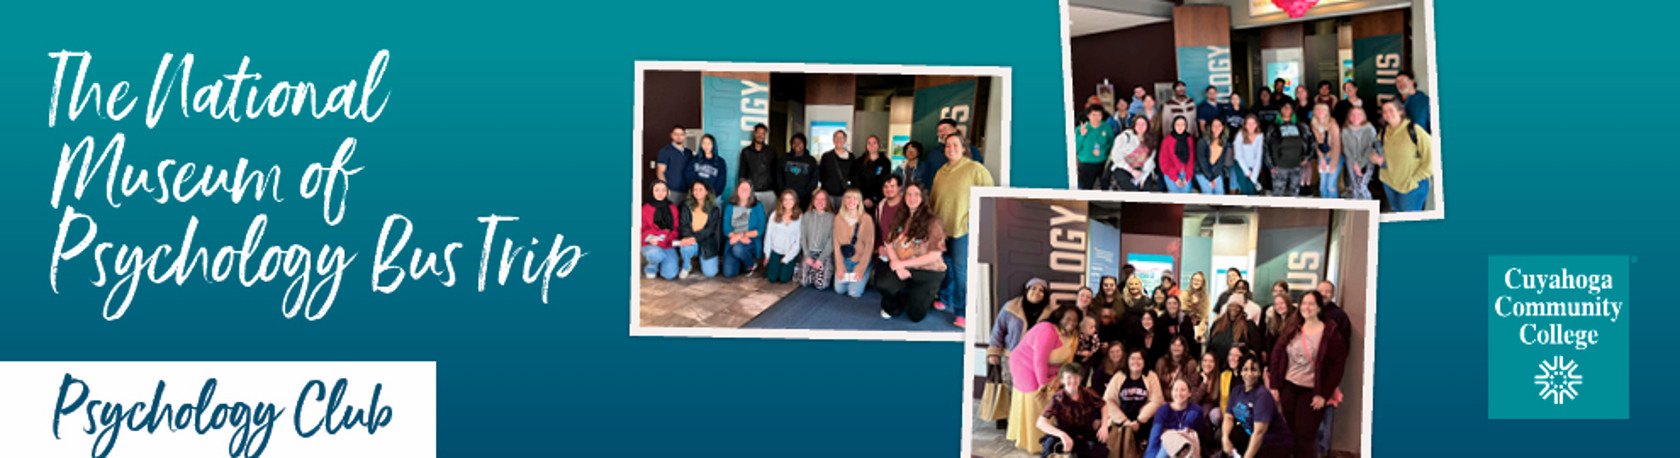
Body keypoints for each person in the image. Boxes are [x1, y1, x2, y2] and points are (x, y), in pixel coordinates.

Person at [1269, 291, 1350, 458]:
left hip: (1313, 391)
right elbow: (1277, 354)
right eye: (1304, 303)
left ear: (1319, 307)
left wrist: (1323, 394)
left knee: (1305, 435)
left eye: (1311, 304)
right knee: (1291, 431)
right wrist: (1275, 385)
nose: (1306, 307)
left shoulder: (1330, 332)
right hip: (1289, 388)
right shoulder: (1293, 326)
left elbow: (1337, 365)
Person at [930, 132, 994, 328]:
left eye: (955, 145)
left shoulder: (975, 169)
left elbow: (989, 197)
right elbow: (934, 200)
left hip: (962, 229)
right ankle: (946, 298)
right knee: (946, 265)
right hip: (942, 228)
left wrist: (978, 222)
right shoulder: (941, 172)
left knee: (960, 271)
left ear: (964, 147)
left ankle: (962, 312)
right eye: (948, 146)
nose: (951, 149)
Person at [1007, 305, 1084, 455]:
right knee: (1037, 398)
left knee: (1054, 395)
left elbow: (1068, 361)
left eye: (1075, 320)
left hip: (1051, 367)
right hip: (1025, 365)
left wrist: (1060, 380)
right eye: (1068, 318)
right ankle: (1034, 442)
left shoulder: (1074, 335)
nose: (1072, 322)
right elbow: (1039, 361)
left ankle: (1052, 436)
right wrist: (1043, 385)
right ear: (1060, 317)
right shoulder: (1047, 330)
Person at [879, 182, 948, 322]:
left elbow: (935, 255)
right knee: (883, 284)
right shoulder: (901, 217)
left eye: (916, 194)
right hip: (902, 265)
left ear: (923, 197)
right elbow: (890, 244)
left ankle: (919, 296)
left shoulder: (933, 222)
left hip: (928, 270)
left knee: (915, 316)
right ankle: (894, 306)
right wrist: (895, 262)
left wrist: (902, 264)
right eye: (909, 194)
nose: (912, 197)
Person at [1224, 350, 1294, 458]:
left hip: (1274, 443)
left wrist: (1247, 457)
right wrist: (1225, 439)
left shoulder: (1262, 395)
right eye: (1245, 369)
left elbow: (1259, 432)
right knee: (1232, 436)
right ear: (1240, 372)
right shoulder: (1236, 391)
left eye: (1253, 370)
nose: (1249, 374)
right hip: (1252, 436)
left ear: (1259, 373)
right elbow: (1228, 417)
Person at [1314, 281, 1353, 458]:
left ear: (1333, 294)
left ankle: (1322, 450)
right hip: (1308, 372)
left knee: (1326, 411)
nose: (1324, 294)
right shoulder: (1310, 312)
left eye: (1327, 291)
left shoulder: (1339, 316)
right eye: (1320, 290)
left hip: (1328, 371)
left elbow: (1344, 349)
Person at [1039, 363, 1111, 458]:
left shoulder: (1087, 392)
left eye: (1076, 377)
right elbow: (1040, 423)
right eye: (1068, 378)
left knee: (1100, 451)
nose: (1072, 381)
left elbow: (1103, 405)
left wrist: (1104, 426)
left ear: (1080, 379)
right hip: (1062, 435)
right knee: (1049, 449)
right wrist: (1062, 435)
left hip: (1083, 434)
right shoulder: (1058, 398)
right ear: (1062, 380)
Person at [1373, 98, 1433, 212]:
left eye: (1391, 110)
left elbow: (1432, 159)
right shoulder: (1384, 132)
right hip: (1389, 184)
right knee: (1397, 213)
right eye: (1384, 111)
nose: (1387, 114)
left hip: (1411, 187)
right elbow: (1375, 151)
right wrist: (1374, 157)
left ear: (1400, 111)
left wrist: (1414, 180)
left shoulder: (1415, 130)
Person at [1102, 349, 1163, 458]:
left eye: (1139, 359)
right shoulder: (1119, 376)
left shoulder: (1151, 376)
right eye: (1133, 358)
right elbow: (1108, 400)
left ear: (1144, 361)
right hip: (1122, 419)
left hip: (1144, 420)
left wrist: (1139, 421)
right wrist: (1124, 420)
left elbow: (1157, 400)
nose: (1136, 362)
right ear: (1127, 361)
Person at [990, 278, 1052, 370]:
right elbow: (998, 329)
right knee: (1009, 384)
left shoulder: (1049, 313)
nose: (1036, 292)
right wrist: (993, 352)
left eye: (1041, 290)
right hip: (1011, 356)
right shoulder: (1011, 307)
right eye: (1033, 288)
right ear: (1027, 290)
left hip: (1034, 359)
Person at [1144, 377, 1207, 458]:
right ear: (1171, 392)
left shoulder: (1196, 411)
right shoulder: (1163, 410)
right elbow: (1154, 438)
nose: (1179, 393)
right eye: (1175, 390)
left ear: (1189, 393)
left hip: (1187, 451)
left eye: (1183, 390)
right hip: (1164, 450)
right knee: (1169, 439)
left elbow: (1199, 435)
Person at [832, 188, 876, 297]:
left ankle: (865, 273)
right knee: (839, 290)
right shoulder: (838, 218)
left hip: (860, 260)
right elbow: (836, 244)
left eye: (855, 198)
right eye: (848, 197)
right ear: (844, 200)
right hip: (845, 260)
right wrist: (840, 266)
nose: (851, 201)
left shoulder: (866, 219)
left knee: (854, 292)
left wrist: (861, 267)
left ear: (859, 201)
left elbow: (869, 246)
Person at [676, 181, 723, 278]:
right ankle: (686, 266)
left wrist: (695, 238)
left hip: (707, 242)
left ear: (707, 192)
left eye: (700, 189)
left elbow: (710, 230)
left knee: (711, 273)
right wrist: (689, 238)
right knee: (685, 247)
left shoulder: (714, 210)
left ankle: (702, 259)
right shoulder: (686, 206)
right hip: (690, 241)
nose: (697, 192)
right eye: (695, 190)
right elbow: (683, 225)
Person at [720, 180, 766, 278]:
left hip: (750, 240)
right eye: (742, 188)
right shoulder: (730, 207)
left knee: (738, 249)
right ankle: (742, 261)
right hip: (734, 241)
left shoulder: (757, 206)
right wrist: (738, 238)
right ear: (737, 190)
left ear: (751, 192)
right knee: (729, 273)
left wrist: (741, 235)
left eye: (747, 189)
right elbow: (726, 229)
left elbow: (760, 230)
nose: (744, 191)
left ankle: (750, 265)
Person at [639, 181, 685, 279]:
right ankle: (651, 267)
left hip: (668, 243)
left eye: (663, 190)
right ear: (652, 191)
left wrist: (664, 238)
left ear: (667, 192)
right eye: (657, 190)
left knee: (670, 275)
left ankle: (661, 262)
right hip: (650, 244)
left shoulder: (672, 208)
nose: (660, 193)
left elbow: (676, 230)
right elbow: (640, 230)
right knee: (655, 253)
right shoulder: (644, 209)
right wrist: (654, 236)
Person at [1265, 103, 1313, 197]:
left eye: (1289, 107)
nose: (1287, 109)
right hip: (1279, 167)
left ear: (1292, 111)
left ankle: (1293, 212)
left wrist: (1308, 157)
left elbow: (1311, 141)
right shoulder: (1273, 128)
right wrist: (1270, 165)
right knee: (1278, 195)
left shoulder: (1301, 126)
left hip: (1296, 165)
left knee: (1295, 194)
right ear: (1280, 111)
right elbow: (1266, 146)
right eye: (1284, 107)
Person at [1099, 116, 1156, 192]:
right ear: (1134, 125)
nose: (1140, 126)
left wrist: (1143, 177)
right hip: (1123, 167)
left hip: (1141, 168)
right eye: (1138, 124)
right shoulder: (1125, 136)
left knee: (1147, 190)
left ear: (1148, 126)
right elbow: (1116, 156)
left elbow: (1150, 161)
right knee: (1132, 191)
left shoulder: (1151, 139)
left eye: (1143, 124)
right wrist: (1132, 171)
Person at [1205, 295, 1259, 371]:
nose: (1234, 308)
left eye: (1237, 306)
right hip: (1217, 368)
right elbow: (1210, 345)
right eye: (1231, 305)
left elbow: (1255, 349)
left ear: (1242, 308)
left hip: (1237, 369)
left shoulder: (1248, 326)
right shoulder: (1217, 324)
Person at [762, 189, 803, 284]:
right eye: (785, 199)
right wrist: (767, 255)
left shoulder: (800, 217)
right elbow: (768, 236)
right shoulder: (774, 215)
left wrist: (787, 258)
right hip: (776, 251)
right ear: (781, 201)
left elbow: (798, 241)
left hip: (790, 252)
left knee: (784, 279)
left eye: (791, 199)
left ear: (795, 201)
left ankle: (794, 265)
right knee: (771, 278)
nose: (788, 202)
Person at [798, 189, 835, 289]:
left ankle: (820, 270)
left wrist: (820, 259)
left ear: (827, 202)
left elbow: (831, 241)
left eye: (823, 199)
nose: (820, 202)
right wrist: (807, 256)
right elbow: (803, 237)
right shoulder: (807, 216)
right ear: (813, 201)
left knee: (821, 285)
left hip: (823, 254)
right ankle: (811, 270)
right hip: (809, 252)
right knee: (804, 283)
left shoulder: (832, 218)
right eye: (817, 199)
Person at [1341, 106, 1379, 200]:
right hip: (1351, 161)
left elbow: (1370, 148)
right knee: (1354, 186)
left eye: (1358, 114)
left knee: (1361, 186)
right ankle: (1356, 210)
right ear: (1349, 117)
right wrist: (1354, 163)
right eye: (1353, 114)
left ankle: (1369, 208)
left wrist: (1360, 165)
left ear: (1363, 116)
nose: (1355, 116)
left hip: (1367, 161)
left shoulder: (1370, 129)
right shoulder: (1345, 130)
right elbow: (1346, 148)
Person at [738, 123, 779, 206]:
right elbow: (742, 173)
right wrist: (743, 190)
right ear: (754, 134)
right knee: (752, 217)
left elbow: (776, 172)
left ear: (765, 135)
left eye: (763, 133)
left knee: (769, 217)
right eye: (758, 133)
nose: (760, 135)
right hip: (752, 191)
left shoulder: (771, 151)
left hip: (769, 192)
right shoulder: (746, 152)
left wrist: (777, 192)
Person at [874, 175, 904, 287]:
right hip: (884, 252)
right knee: (879, 284)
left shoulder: (906, 206)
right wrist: (880, 246)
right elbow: (877, 231)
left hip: (902, 253)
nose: (889, 189)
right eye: (885, 186)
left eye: (892, 186)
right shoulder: (880, 206)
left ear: (899, 187)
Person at [1076, 106, 1116, 189]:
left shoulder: (1107, 128)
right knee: (1087, 187)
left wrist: (1103, 151)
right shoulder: (1081, 128)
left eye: (1099, 115)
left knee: (1105, 186)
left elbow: (1112, 144)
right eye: (1093, 115)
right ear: (1088, 116)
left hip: (1103, 162)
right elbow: (1075, 147)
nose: (1096, 118)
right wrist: (1082, 135)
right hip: (1086, 163)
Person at [853, 135, 894, 212]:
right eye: (869, 143)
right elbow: (856, 181)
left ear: (878, 145)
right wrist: (864, 198)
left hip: (878, 200)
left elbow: (885, 182)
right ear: (866, 146)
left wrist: (874, 199)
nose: (872, 145)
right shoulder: (859, 161)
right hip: (861, 200)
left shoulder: (885, 162)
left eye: (874, 143)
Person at [779, 133, 820, 208]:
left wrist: (807, 192)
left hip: (804, 199)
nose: (797, 145)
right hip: (787, 197)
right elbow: (779, 176)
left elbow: (814, 178)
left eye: (799, 142)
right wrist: (783, 191)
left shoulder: (811, 160)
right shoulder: (784, 158)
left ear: (804, 144)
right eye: (794, 143)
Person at [1311, 103, 1343, 199]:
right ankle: (1325, 209)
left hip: (1336, 156)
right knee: (1322, 186)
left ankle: (1334, 209)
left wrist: (1333, 164)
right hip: (1323, 156)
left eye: (1323, 109)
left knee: (1330, 185)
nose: (1320, 111)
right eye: (1318, 109)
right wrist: (1322, 159)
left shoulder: (1333, 124)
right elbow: (1317, 144)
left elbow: (1337, 144)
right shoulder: (1313, 124)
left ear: (1327, 112)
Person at [684, 134, 728, 202]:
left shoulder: (720, 162)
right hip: (696, 196)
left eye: (709, 143)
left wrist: (711, 195)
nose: (706, 146)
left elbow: (721, 181)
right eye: (704, 143)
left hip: (713, 197)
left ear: (713, 145)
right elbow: (688, 175)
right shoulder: (694, 159)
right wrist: (696, 192)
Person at [655, 125, 692, 204]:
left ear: (684, 136)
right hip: (672, 191)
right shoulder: (664, 151)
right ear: (671, 135)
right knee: (671, 214)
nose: (679, 137)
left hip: (687, 191)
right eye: (676, 134)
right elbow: (660, 172)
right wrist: (665, 189)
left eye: (681, 134)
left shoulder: (689, 153)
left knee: (685, 215)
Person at [818, 129, 857, 204]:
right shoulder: (826, 156)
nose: (839, 140)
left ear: (845, 141)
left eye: (841, 138)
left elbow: (854, 176)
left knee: (843, 215)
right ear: (833, 141)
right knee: (829, 215)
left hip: (845, 195)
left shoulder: (851, 157)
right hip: (828, 195)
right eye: (836, 138)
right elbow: (821, 174)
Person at [1158, 116, 1195, 193]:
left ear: (1186, 126)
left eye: (1183, 124)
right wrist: (1175, 178)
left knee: (1187, 197)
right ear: (1173, 125)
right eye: (1177, 124)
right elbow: (1164, 162)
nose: (1180, 127)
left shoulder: (1189, 139)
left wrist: (1187, 177)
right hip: (1171, 174)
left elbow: (1191, 160)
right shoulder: (1167, 140)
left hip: (1186, 173)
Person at [1231, 114, 1265, 196]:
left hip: (1253, 165)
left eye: (1253, 123)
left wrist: (1254, 174)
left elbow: (1258, 156)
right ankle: (1245, 206)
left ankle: (1252, 205)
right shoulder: (1240, 135)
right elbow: (1238, 155)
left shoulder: (1260, 136)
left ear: (1257, 124)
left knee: (1251, 186)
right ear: (1245, 125)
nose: (1251, 126)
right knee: (1244, 187)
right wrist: (1247, 171)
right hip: (1240, 164)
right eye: (1248, 123)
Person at [1195, 118, 1231, 194]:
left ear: (1223, 127)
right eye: (1214, 126)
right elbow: (1202, 162)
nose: (1217, 128)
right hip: (1202, 172)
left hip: (1216, 172)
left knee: (1220, 195)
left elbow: (1221, 162)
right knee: (1208, 193)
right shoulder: (1202, 141)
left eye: (1219, 125)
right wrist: (1210, 178)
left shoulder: (1224, 142)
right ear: (1210, 127)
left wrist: (1214, 176)